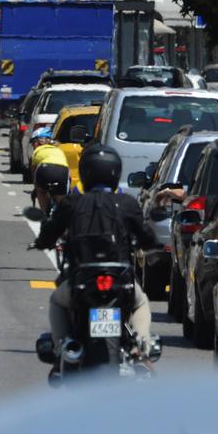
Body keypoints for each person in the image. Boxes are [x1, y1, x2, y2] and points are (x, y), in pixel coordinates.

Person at [34, 145, 158, 354]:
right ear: (116, 172)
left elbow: (49, 234)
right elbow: (147, 237)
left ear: (85, 173)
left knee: (57, 301)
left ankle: (60, 347)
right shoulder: (126, 203)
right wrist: (150, 244)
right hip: (120, 281)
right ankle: (142, 345)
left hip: (82, 280)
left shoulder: (73, 202)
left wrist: (42, 241)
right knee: (140, 302)